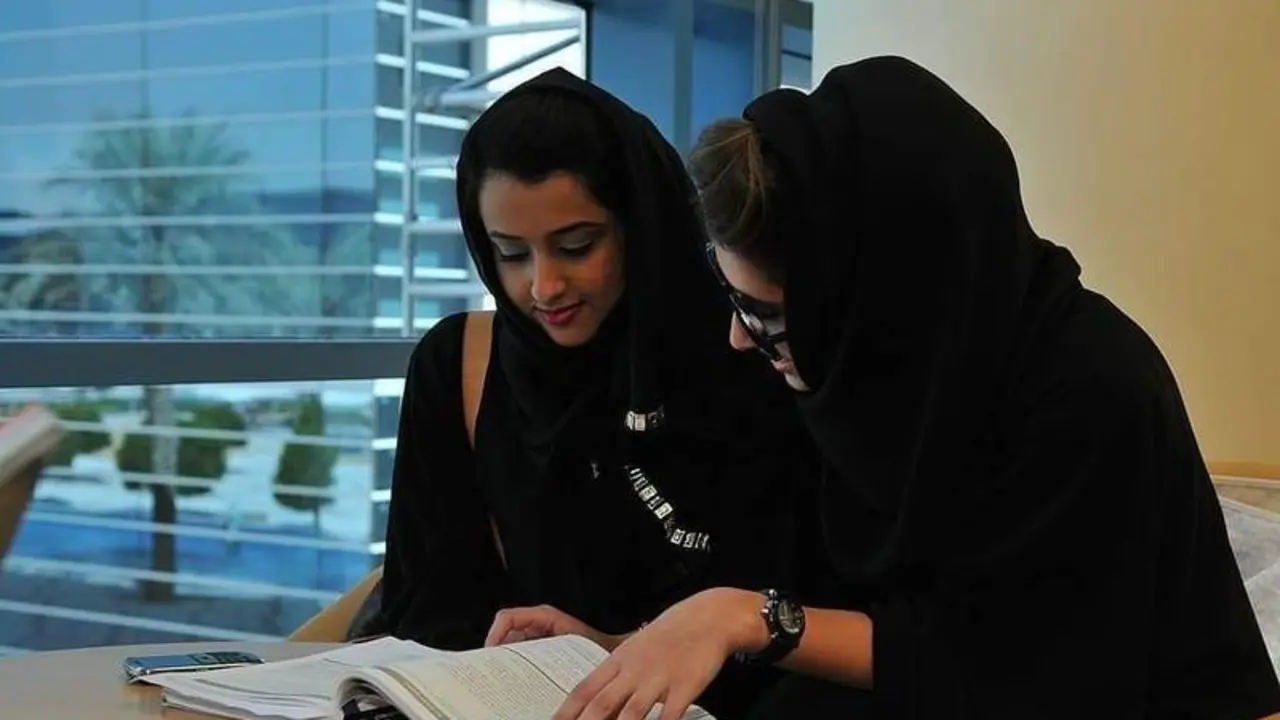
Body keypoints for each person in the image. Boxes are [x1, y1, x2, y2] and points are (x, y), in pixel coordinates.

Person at [495, 56, 1280, 719]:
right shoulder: (867, 389)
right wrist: (626, 651)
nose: (740, 338)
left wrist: (750, 616)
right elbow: (830, 622)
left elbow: (1017, 665)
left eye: (765, 315)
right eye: (734, 303)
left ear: (878, 300)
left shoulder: (1091, 392)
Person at [364, 68, 824, 718]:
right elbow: (427, 610)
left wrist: (616, 652)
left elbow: (803, 612)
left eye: (577, 247)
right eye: (510, 254)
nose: (544, 287)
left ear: (639, 223)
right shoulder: (458, 365)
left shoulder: (749, 357)